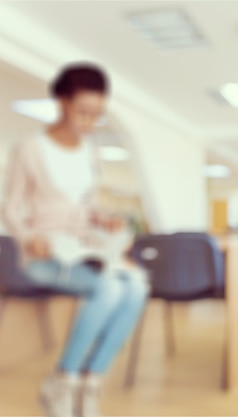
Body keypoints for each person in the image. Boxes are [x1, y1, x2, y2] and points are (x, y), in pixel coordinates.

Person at [2, 63, 149, 417]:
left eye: (97, 114)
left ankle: (91, 380)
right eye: (83, 112)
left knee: (138, 285)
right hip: (42, 256)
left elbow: (86, 203)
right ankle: (63, 379)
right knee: (110, 288)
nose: (89, 122)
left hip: (82, 250)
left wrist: (103, 218)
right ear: (62, 102)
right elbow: (10, 206)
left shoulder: (89, 150)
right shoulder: (31, 148)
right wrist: (28, 236)